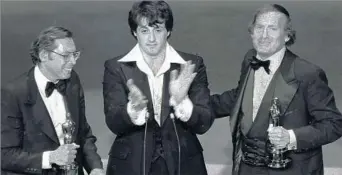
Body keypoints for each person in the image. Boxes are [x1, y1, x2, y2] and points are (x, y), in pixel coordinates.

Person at [209, 4, 342, 175]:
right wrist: (195, 104)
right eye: (259, 28)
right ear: (251, 32)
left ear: (287, 35)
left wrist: (291, 137)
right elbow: (242, 96)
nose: (264, 35)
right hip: (246, 168)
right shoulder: (250, 58)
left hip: (290, 170)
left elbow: (334, 124)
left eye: (272, 28)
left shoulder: (307, 73)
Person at [102, 1, 213, 175]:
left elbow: (204, 123)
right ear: (134, 32)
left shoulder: (191, 65)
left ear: (168, 31)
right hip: (131, 166)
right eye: (144, 30)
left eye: (158, 30)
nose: (151, 39)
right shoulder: (116, 67)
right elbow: (113, 122)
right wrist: (132, 111)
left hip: (183, 164)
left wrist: (182, 101)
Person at [1, 26, 105, 175]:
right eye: (66, 56)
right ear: (44, 55)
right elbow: (4, 155)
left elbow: (83, 133)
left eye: (75, 54)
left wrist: (95, 167)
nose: (73, 61)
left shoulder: (72, 80)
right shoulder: (13, 93)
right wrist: (50, 158)